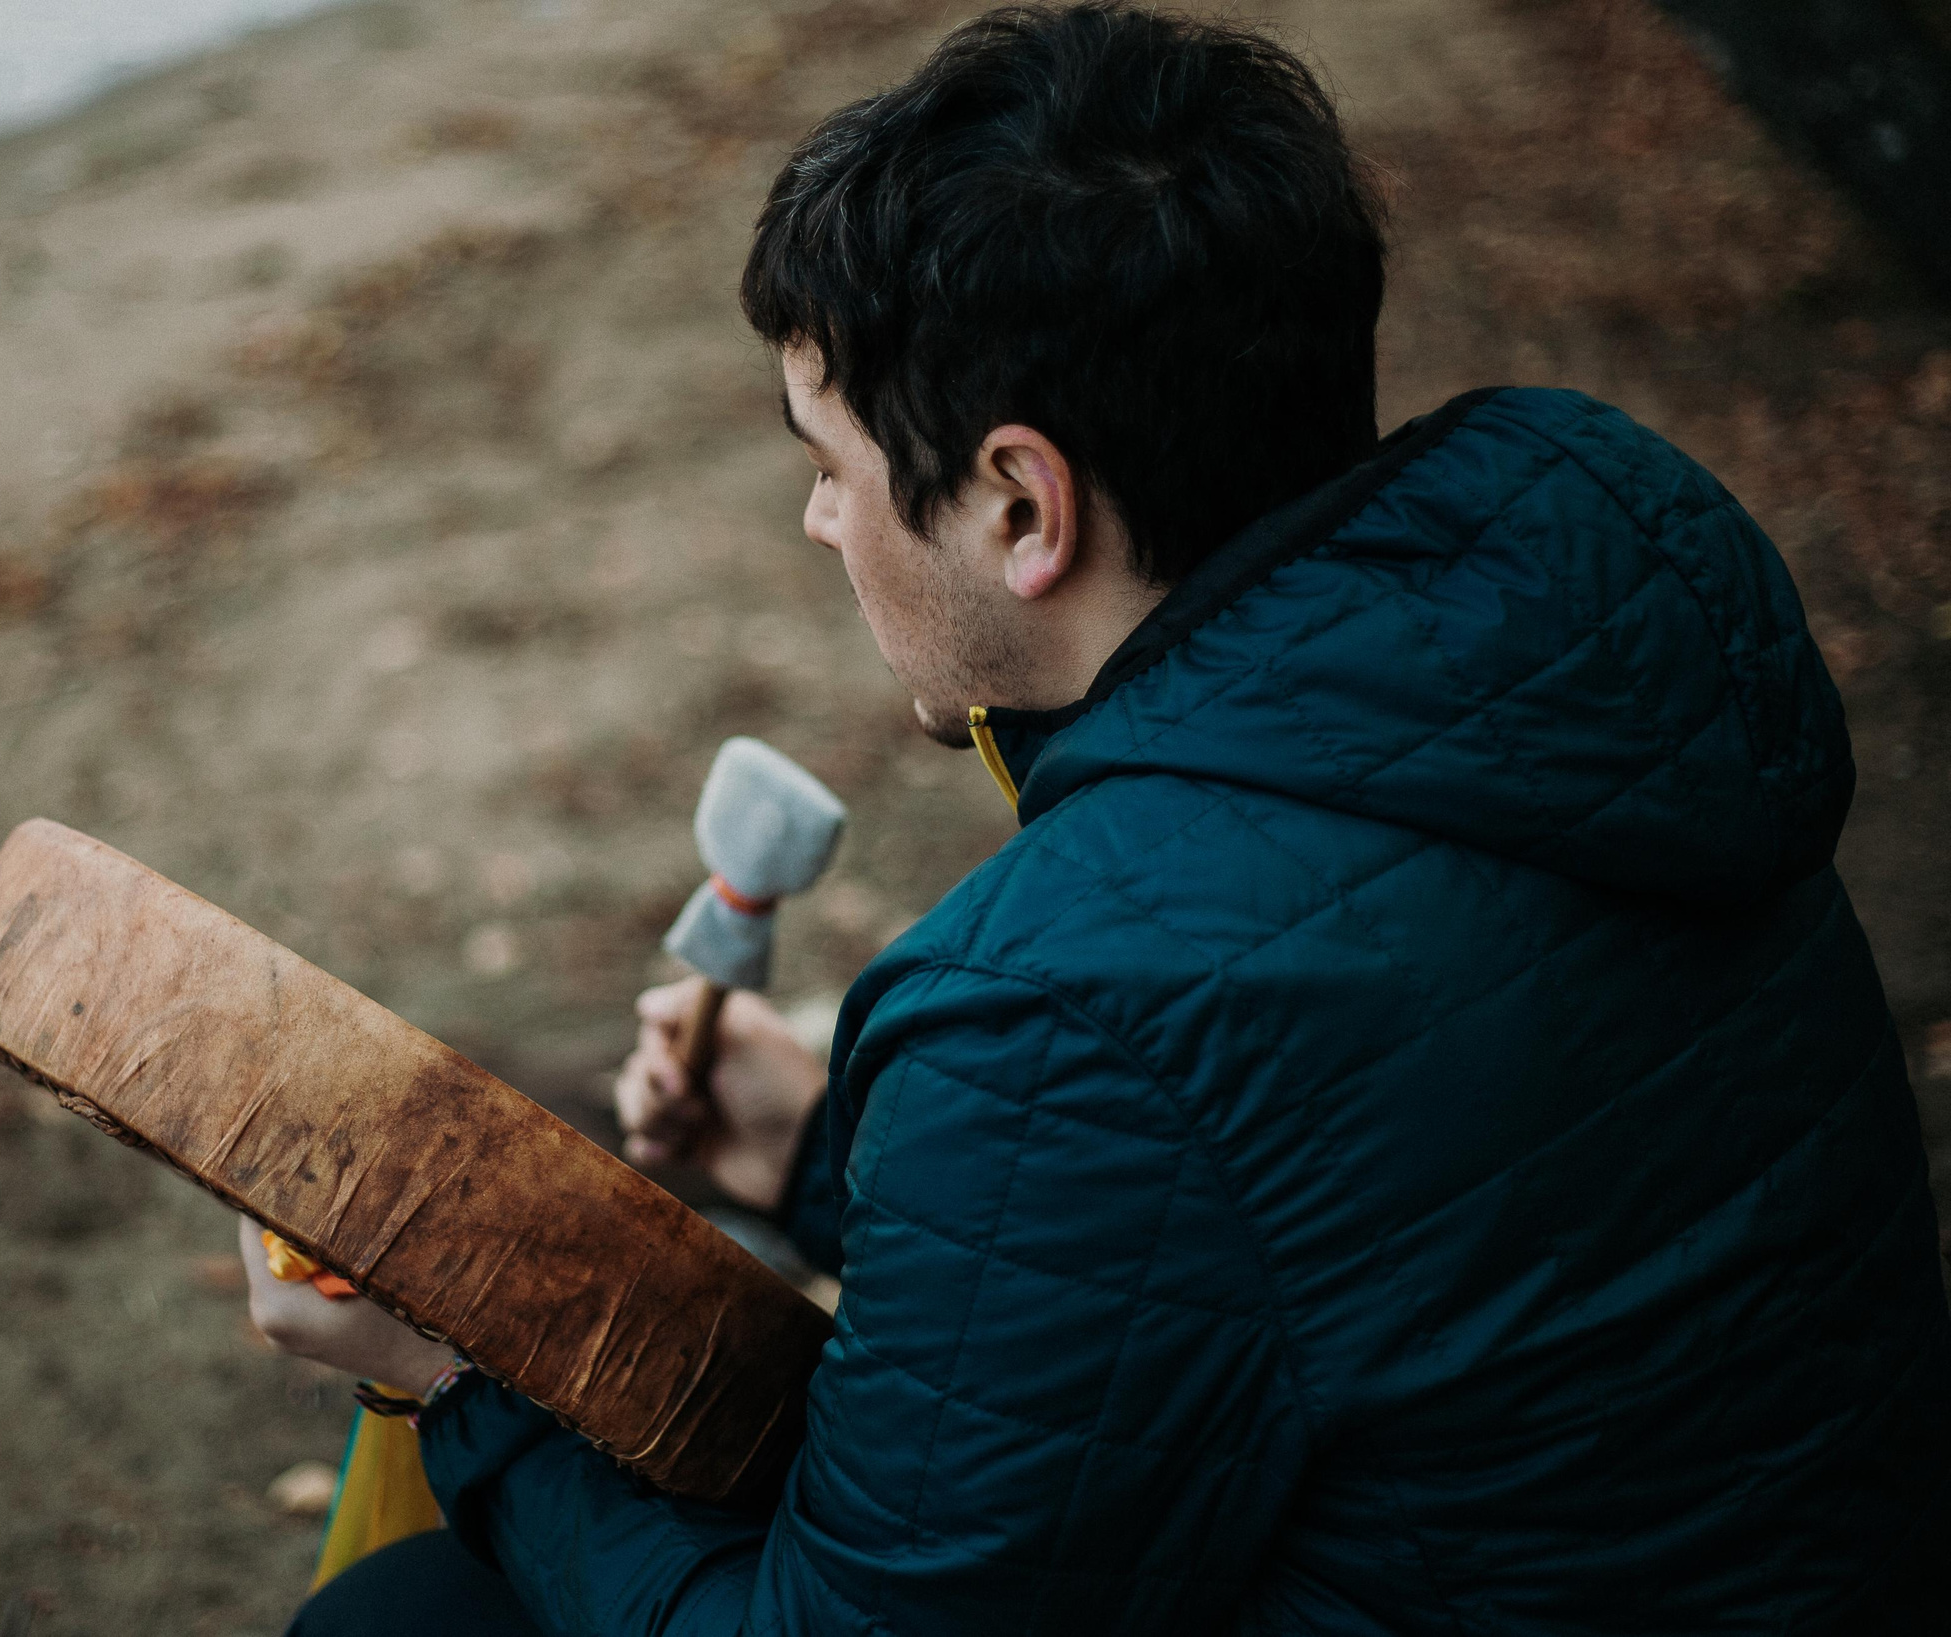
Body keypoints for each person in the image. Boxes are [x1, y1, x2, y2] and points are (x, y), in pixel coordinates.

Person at [243, 4, 1951, 1631]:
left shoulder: (1074, 1005)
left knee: (403, 1613)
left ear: (1018, 504)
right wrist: (825, 1151)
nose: (821, 521)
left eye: (829, 459)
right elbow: (1340, 1214)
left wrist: (455, 1374)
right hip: (1789, 1563)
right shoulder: (1588, 674)